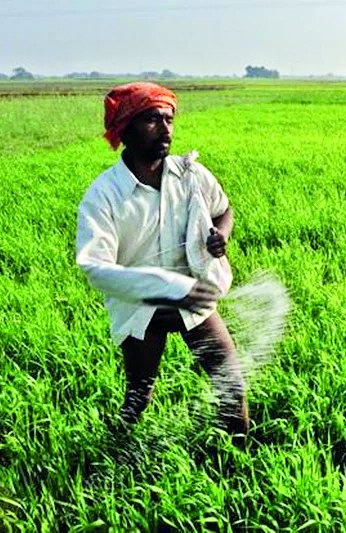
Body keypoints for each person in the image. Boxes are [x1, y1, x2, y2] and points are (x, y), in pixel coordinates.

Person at [76, 82, 248, 436]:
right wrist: (165, 287)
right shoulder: (105, 195)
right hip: (142, 307)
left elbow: (223, 209)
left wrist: (222, 235)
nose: (166, 128)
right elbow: (95, 268)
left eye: (169, 119)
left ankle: (241, 463)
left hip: (194, 296)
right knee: (140, 396)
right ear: (126, 129)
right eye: (153, 119)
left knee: (231, 383)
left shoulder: (190, 174)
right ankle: (114, 456)